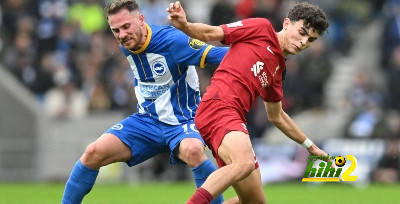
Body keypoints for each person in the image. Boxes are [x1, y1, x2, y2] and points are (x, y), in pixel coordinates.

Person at [61, 0, 228, 203]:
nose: (122, 35)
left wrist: (263, 54)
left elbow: (219, 55)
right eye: (116, 30)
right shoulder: (127, 44)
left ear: (141, 20)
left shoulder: (172, 41)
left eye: (126, 26)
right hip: (147, 120)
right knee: (93, 152)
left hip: (183, 120)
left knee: (193, 151)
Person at [167, 1, 331, 203]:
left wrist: (310, 146)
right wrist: (185, 25)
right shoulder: (261, 28)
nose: (303, 41)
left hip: (233, 117)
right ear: (287, 23)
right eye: (302, 32)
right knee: (243, 163)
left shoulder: (278, 69)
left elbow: (276, 115)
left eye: (310, 39)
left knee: (254, 202)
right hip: (218, 105)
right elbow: (211, 33)